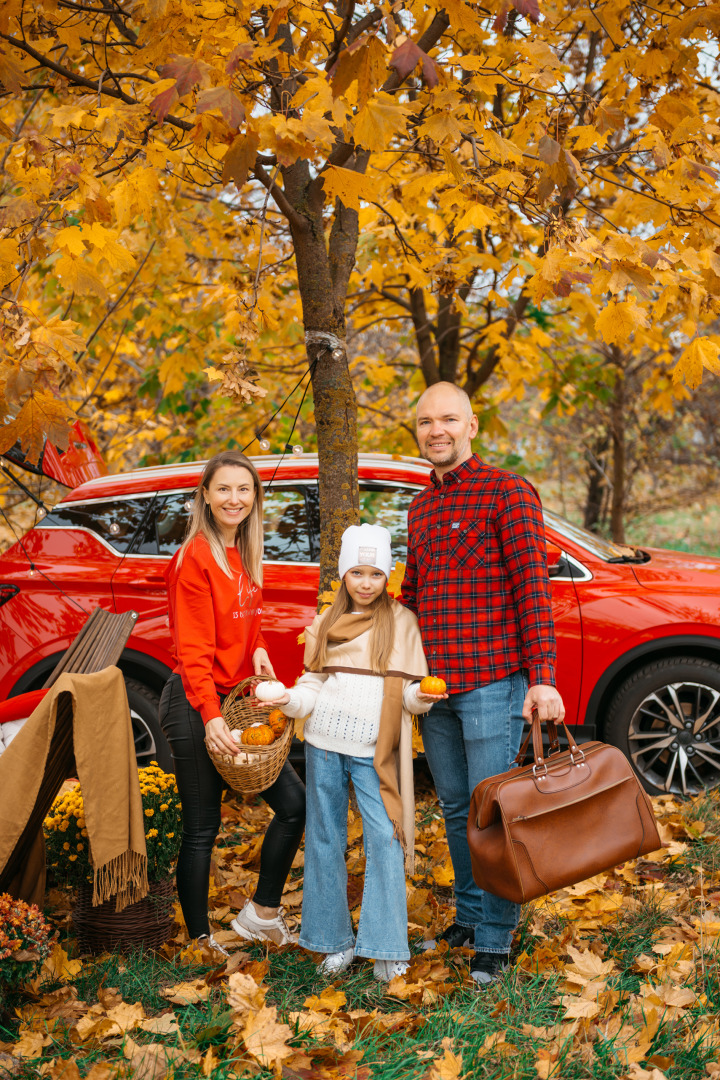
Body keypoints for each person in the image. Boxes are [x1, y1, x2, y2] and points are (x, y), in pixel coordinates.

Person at [400, 382, 565, 987]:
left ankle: (496, 940)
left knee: (493, 813)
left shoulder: (508, 492)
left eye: (448, 419)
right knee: (452, 810)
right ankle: (471, 917)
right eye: (425, 421)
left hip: (494, 684)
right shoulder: (419, 509)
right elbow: (412, 598)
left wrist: (541, 681)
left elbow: (533, 590)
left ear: (472, 425)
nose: (435, 430)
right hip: (436, 691)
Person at [264, 524, 445, 982]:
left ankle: (385, 945)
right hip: (324, 746)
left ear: (388, 577)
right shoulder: (327, 621)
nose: (366, 583)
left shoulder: (402, 622)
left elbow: (406, 694)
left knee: (384, 840)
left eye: (376, 574)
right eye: (357, 572)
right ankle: (334, 941)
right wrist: (289, 700)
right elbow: (312, 687)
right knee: (325, 841)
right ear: (344, 574)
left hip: (373, 752)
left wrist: (421, 698)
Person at [158, 450, 305, 953]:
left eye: (244, 490)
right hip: (197, 703)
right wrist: (209, 716)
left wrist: (258, 646)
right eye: (224, 489)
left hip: (234, 701)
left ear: (255, 498)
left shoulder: (243, 550)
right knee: (203, 827)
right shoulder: (195, 557)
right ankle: (200, 938)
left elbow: (247, 619)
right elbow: (193, 650)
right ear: (205, 494)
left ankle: (261, 914)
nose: (234, 499)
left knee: (292, 805)